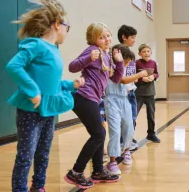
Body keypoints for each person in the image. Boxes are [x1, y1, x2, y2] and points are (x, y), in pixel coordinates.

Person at [6, 0, 84, 192]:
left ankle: (38, 186)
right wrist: (32, 90)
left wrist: (70, 85)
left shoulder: (54, 50)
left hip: (49, 111)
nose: (67, 31)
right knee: (26, 154)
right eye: (67, 26)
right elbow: (14, 66)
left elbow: (53, 83)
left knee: (43, 152)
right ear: (57, 24)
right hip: (30, 110)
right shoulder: (36, 45)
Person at [64, 23, 124, 189]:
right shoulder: (92, 51)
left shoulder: (106, 55)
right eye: (101, 37)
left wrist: (119, 63)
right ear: (94, 39)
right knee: (98, 134)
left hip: (93, 99)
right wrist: (88, 58)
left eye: (108, 35)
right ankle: (76, 172)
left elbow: (116, 79)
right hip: (83, 96)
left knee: (100, 133)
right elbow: (72, 66)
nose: (106, 39)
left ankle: (98, 170)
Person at [105, 44, 147, 175]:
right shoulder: (110, 68)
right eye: (126, 62)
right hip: (111, 100)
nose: (127, 64)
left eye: (129, 62)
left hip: (124, 99)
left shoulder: (125, 68)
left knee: (129, 127)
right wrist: (141, 74)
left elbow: (128, 84)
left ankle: (126, 151)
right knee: (115, 131)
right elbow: (122, 80)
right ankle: (112, 161)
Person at [135, 44, 160, 143]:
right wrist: (142, 78)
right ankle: (130, 136)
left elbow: (157, 73)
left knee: (151, 115)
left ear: (151, 53)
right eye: (144, 51)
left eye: (148, 51)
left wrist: (153, 76)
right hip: (138, 93)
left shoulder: (153, 63)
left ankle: (151, 134)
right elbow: (133, 75)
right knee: (134, 115)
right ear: (140, 53)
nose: (146, 53)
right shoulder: (136, 63)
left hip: (150, 93)